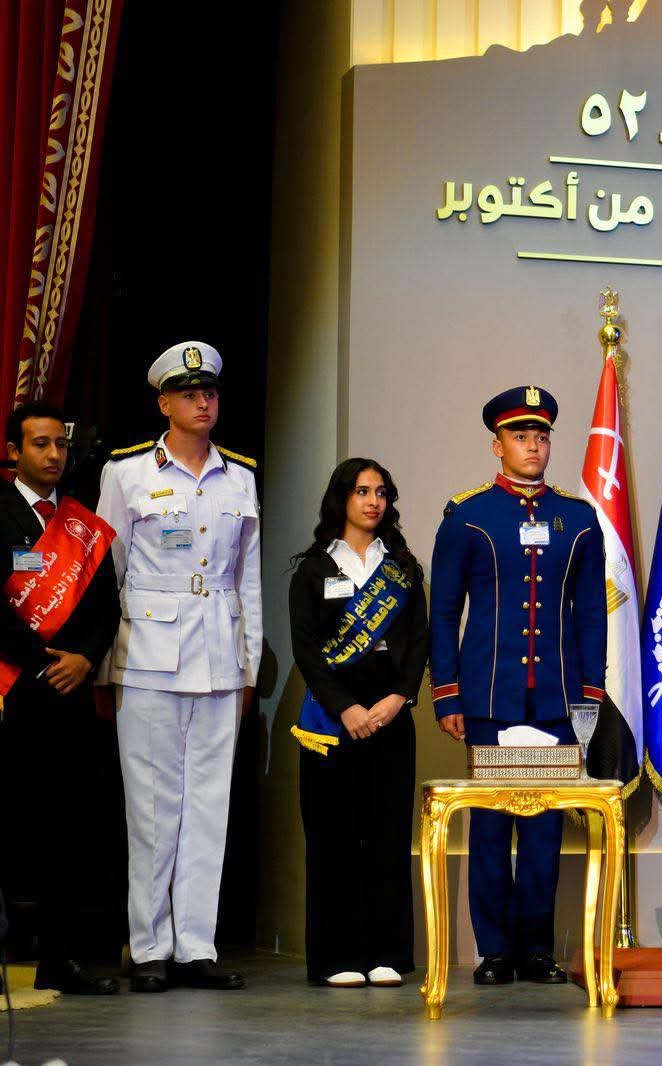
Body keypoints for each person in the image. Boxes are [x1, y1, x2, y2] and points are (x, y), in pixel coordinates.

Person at [97, 341, 262, 993]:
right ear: (164, 403)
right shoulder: (128, 472)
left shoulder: (239, 476)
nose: (203, 403)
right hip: (148, 656)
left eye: (210, 392)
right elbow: (105, 572)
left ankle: (196, 946)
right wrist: (105, 666)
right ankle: (148, 947)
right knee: (152, 807)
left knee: (209, 807)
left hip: (218, 655)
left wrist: (250, 665)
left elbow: (247, 578)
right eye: (190, 394)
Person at [429, 386, 607, 986]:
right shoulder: (469, 515)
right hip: (489, 696)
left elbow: (591, 614)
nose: (533, 446)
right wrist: (447, 691)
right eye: (520, 436)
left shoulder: (578, 519)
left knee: (544, 829)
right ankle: (495, 950)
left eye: (541, 436)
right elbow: (444, 611)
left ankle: (535, 949)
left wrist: (590, 692)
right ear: (497, 445)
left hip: (556, 698)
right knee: (490, 826)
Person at [288, 459, 428, 988]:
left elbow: (420, 641)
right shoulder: (314, 568)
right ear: (341, 498)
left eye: (381, 492)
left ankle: (386, 951)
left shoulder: (403, 568)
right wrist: (344, 707)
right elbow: (306, 648)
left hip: (390, 712)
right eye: (362, 491)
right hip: (332, 716)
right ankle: (336, 956)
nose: (373, 501)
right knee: (333, 837)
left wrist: (398, 697)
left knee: (387, 835)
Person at [0, 402, 121, 995]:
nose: (54, 455)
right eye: (40, 444)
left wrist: (84, 658)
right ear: (13, 452)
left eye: (61, 445)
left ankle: (60, 957)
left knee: (66, 830)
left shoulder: (82, 524)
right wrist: (39, 659)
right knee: (11, 825)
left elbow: (106, 608)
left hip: (69, 697)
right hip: (12, 692)